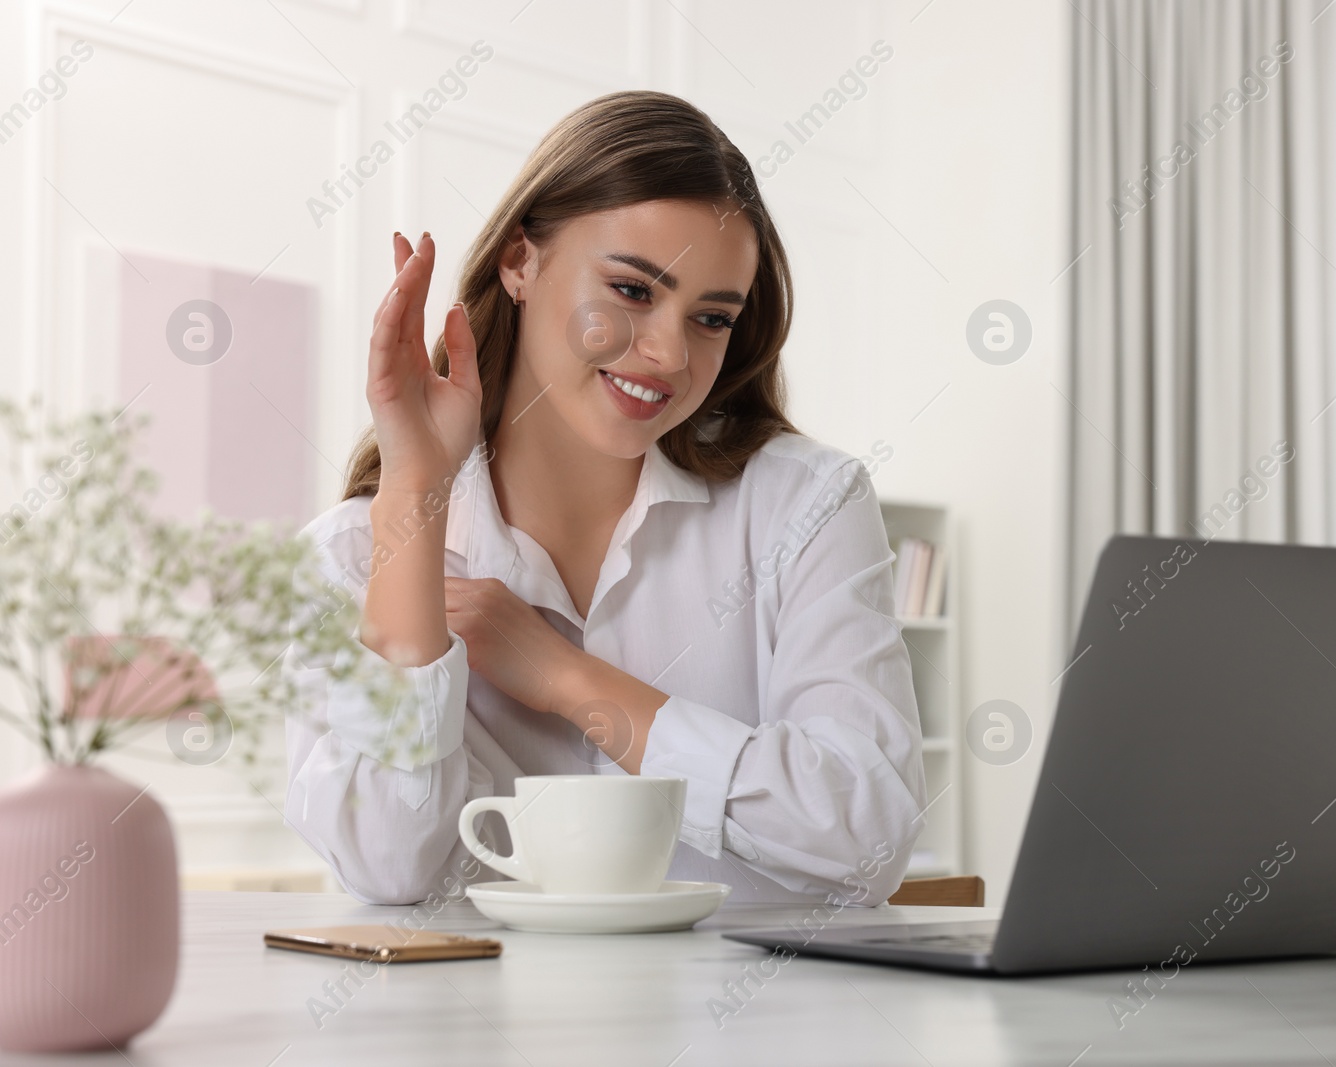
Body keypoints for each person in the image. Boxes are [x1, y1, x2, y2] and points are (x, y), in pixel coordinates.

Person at [282, 91, 926, 907]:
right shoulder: (349, 556)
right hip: (475, 1034)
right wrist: (416, 493)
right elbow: (389, 866)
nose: (666, 354)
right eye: (631, 290)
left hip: (767, 1032)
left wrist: (565, 678)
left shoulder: (805, 504)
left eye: (712, 318)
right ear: (521, 261)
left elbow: (870, 835)